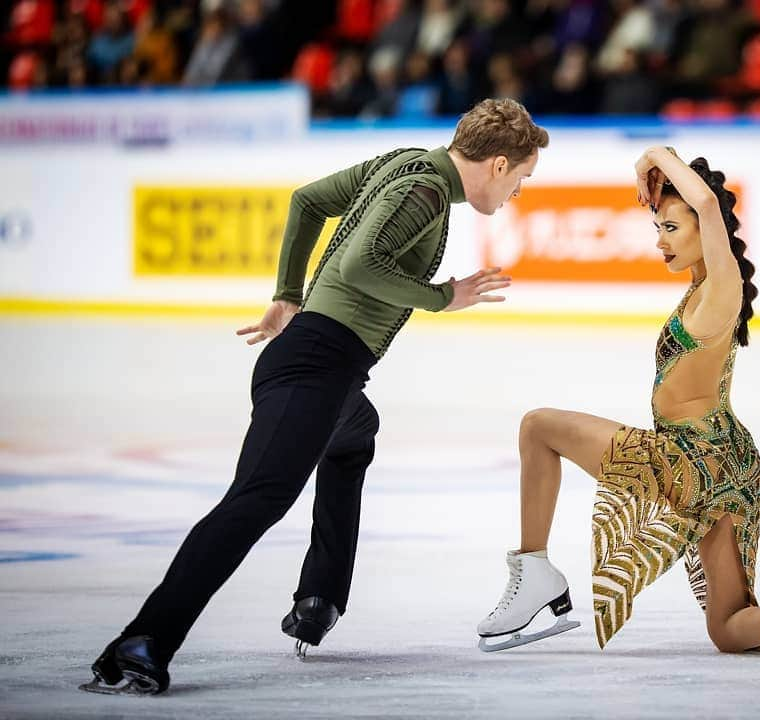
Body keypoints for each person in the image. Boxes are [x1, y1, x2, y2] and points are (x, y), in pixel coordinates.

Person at [82, 98, 549, 695]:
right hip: (314, 366)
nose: (517, 194)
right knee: (256, 500)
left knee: (355, 433)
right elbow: (359, 266)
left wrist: (286, 292)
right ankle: (141, 642)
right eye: (522, 181)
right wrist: (441, 296)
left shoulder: (402, 164)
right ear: (500, 164)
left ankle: (320, 596)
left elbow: (307, 201)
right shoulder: (426, 193)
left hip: (326, 369)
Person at [475, 147, 760, 663]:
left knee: (536, 429)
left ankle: (536, 574)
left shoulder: (720, 287)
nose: (660, 241)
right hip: (731, 467)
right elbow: (699, 208)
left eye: (670, 228)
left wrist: (654, 157)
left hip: (689, 459)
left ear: (705, 230)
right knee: (727, 628)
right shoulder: (705, 286)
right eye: (657, 227)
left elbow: (706, 204)